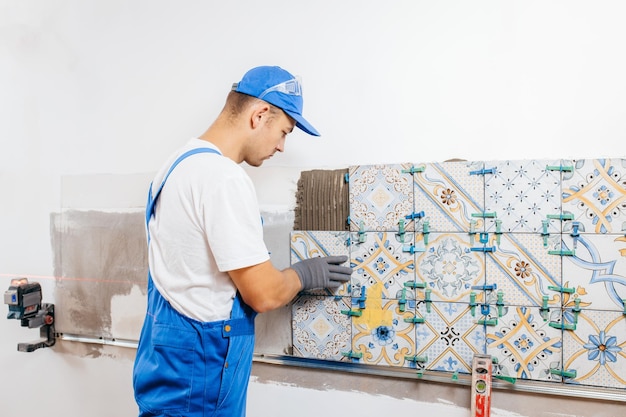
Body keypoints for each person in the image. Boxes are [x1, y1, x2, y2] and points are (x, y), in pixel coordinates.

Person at [132, 65, 353, 417]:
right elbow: (262, 294)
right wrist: (303, 275)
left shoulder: (176, 165)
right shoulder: (222, 178)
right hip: (200, 375)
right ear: (260, 114)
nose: (281, 147)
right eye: (283, 132)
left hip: (166, 366)